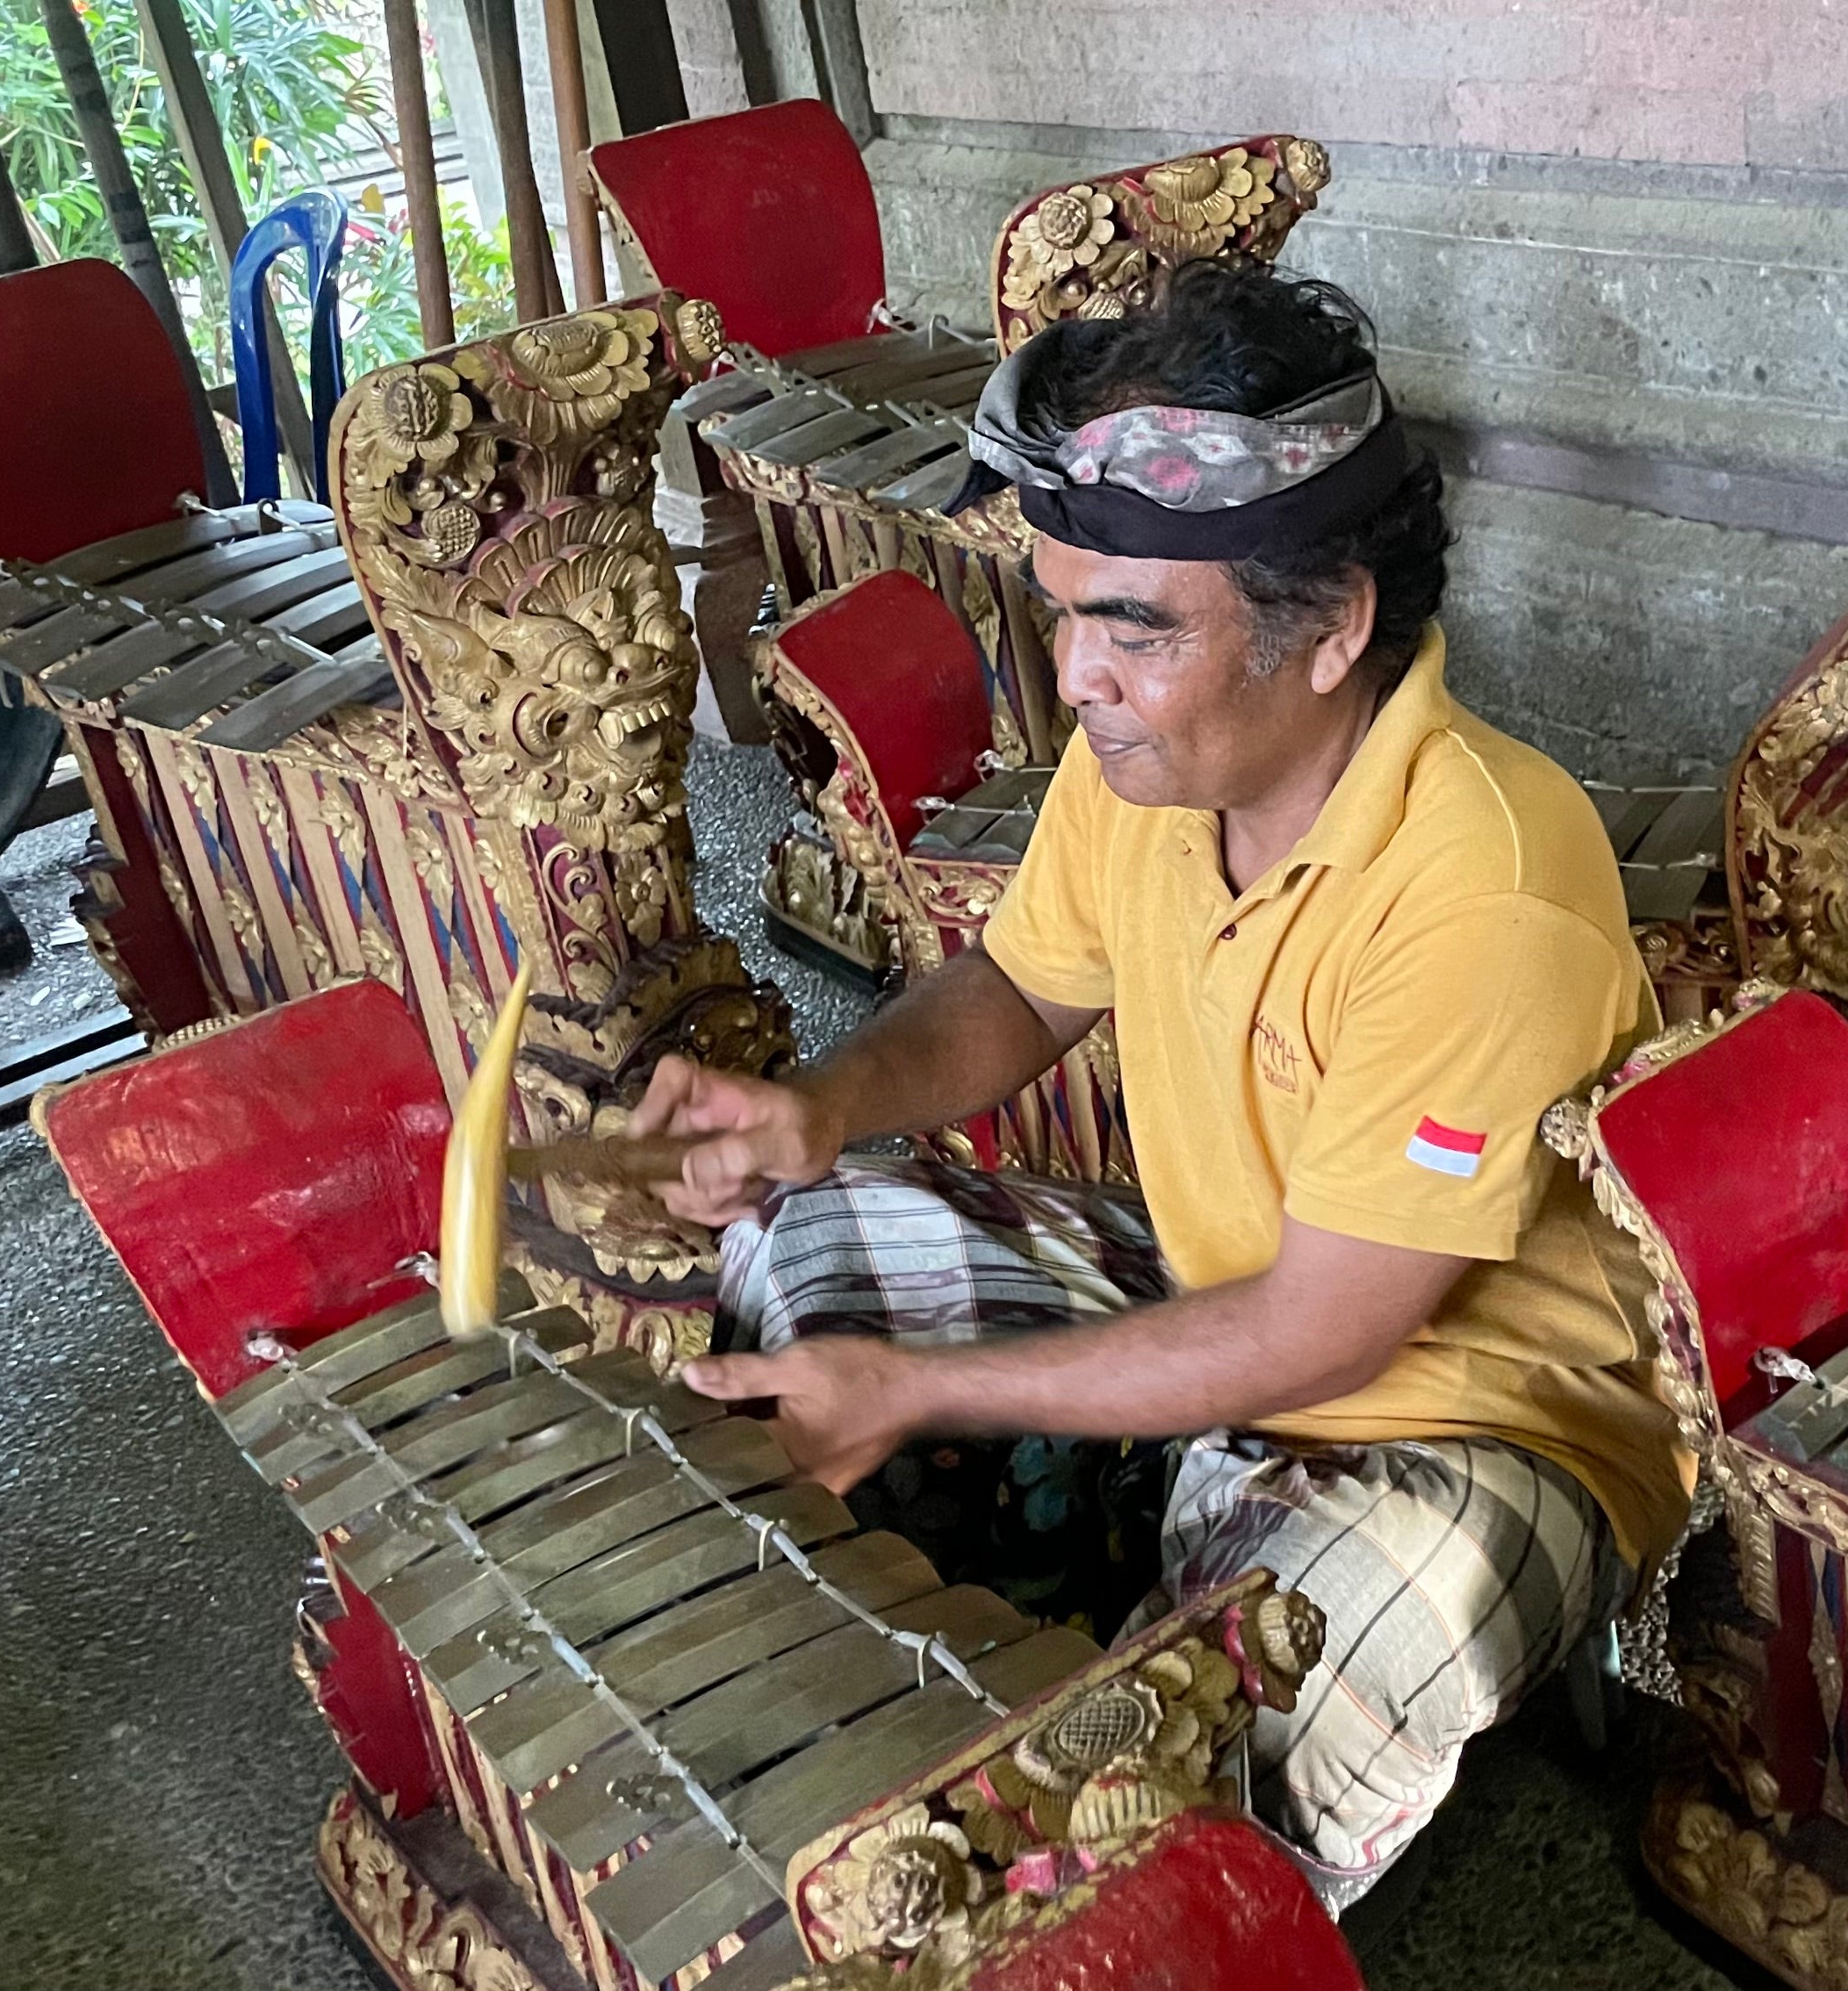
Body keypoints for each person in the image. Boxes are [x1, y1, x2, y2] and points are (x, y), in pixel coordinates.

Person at [630, 260, 1689, 1906]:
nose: (1076, 676)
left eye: (1131, 628)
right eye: (1063, 610)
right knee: (806, 1238)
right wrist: (816, 1109)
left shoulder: (1485, 889)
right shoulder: (1148, 759)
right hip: (1227, 1300)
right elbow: (1017, 985)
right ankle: (1054, 1598)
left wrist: (923, 1390)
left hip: (1471, 1426)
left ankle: (1141, 1785)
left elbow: (1325, 1334)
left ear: (1332, 627)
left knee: (1234, 1735)